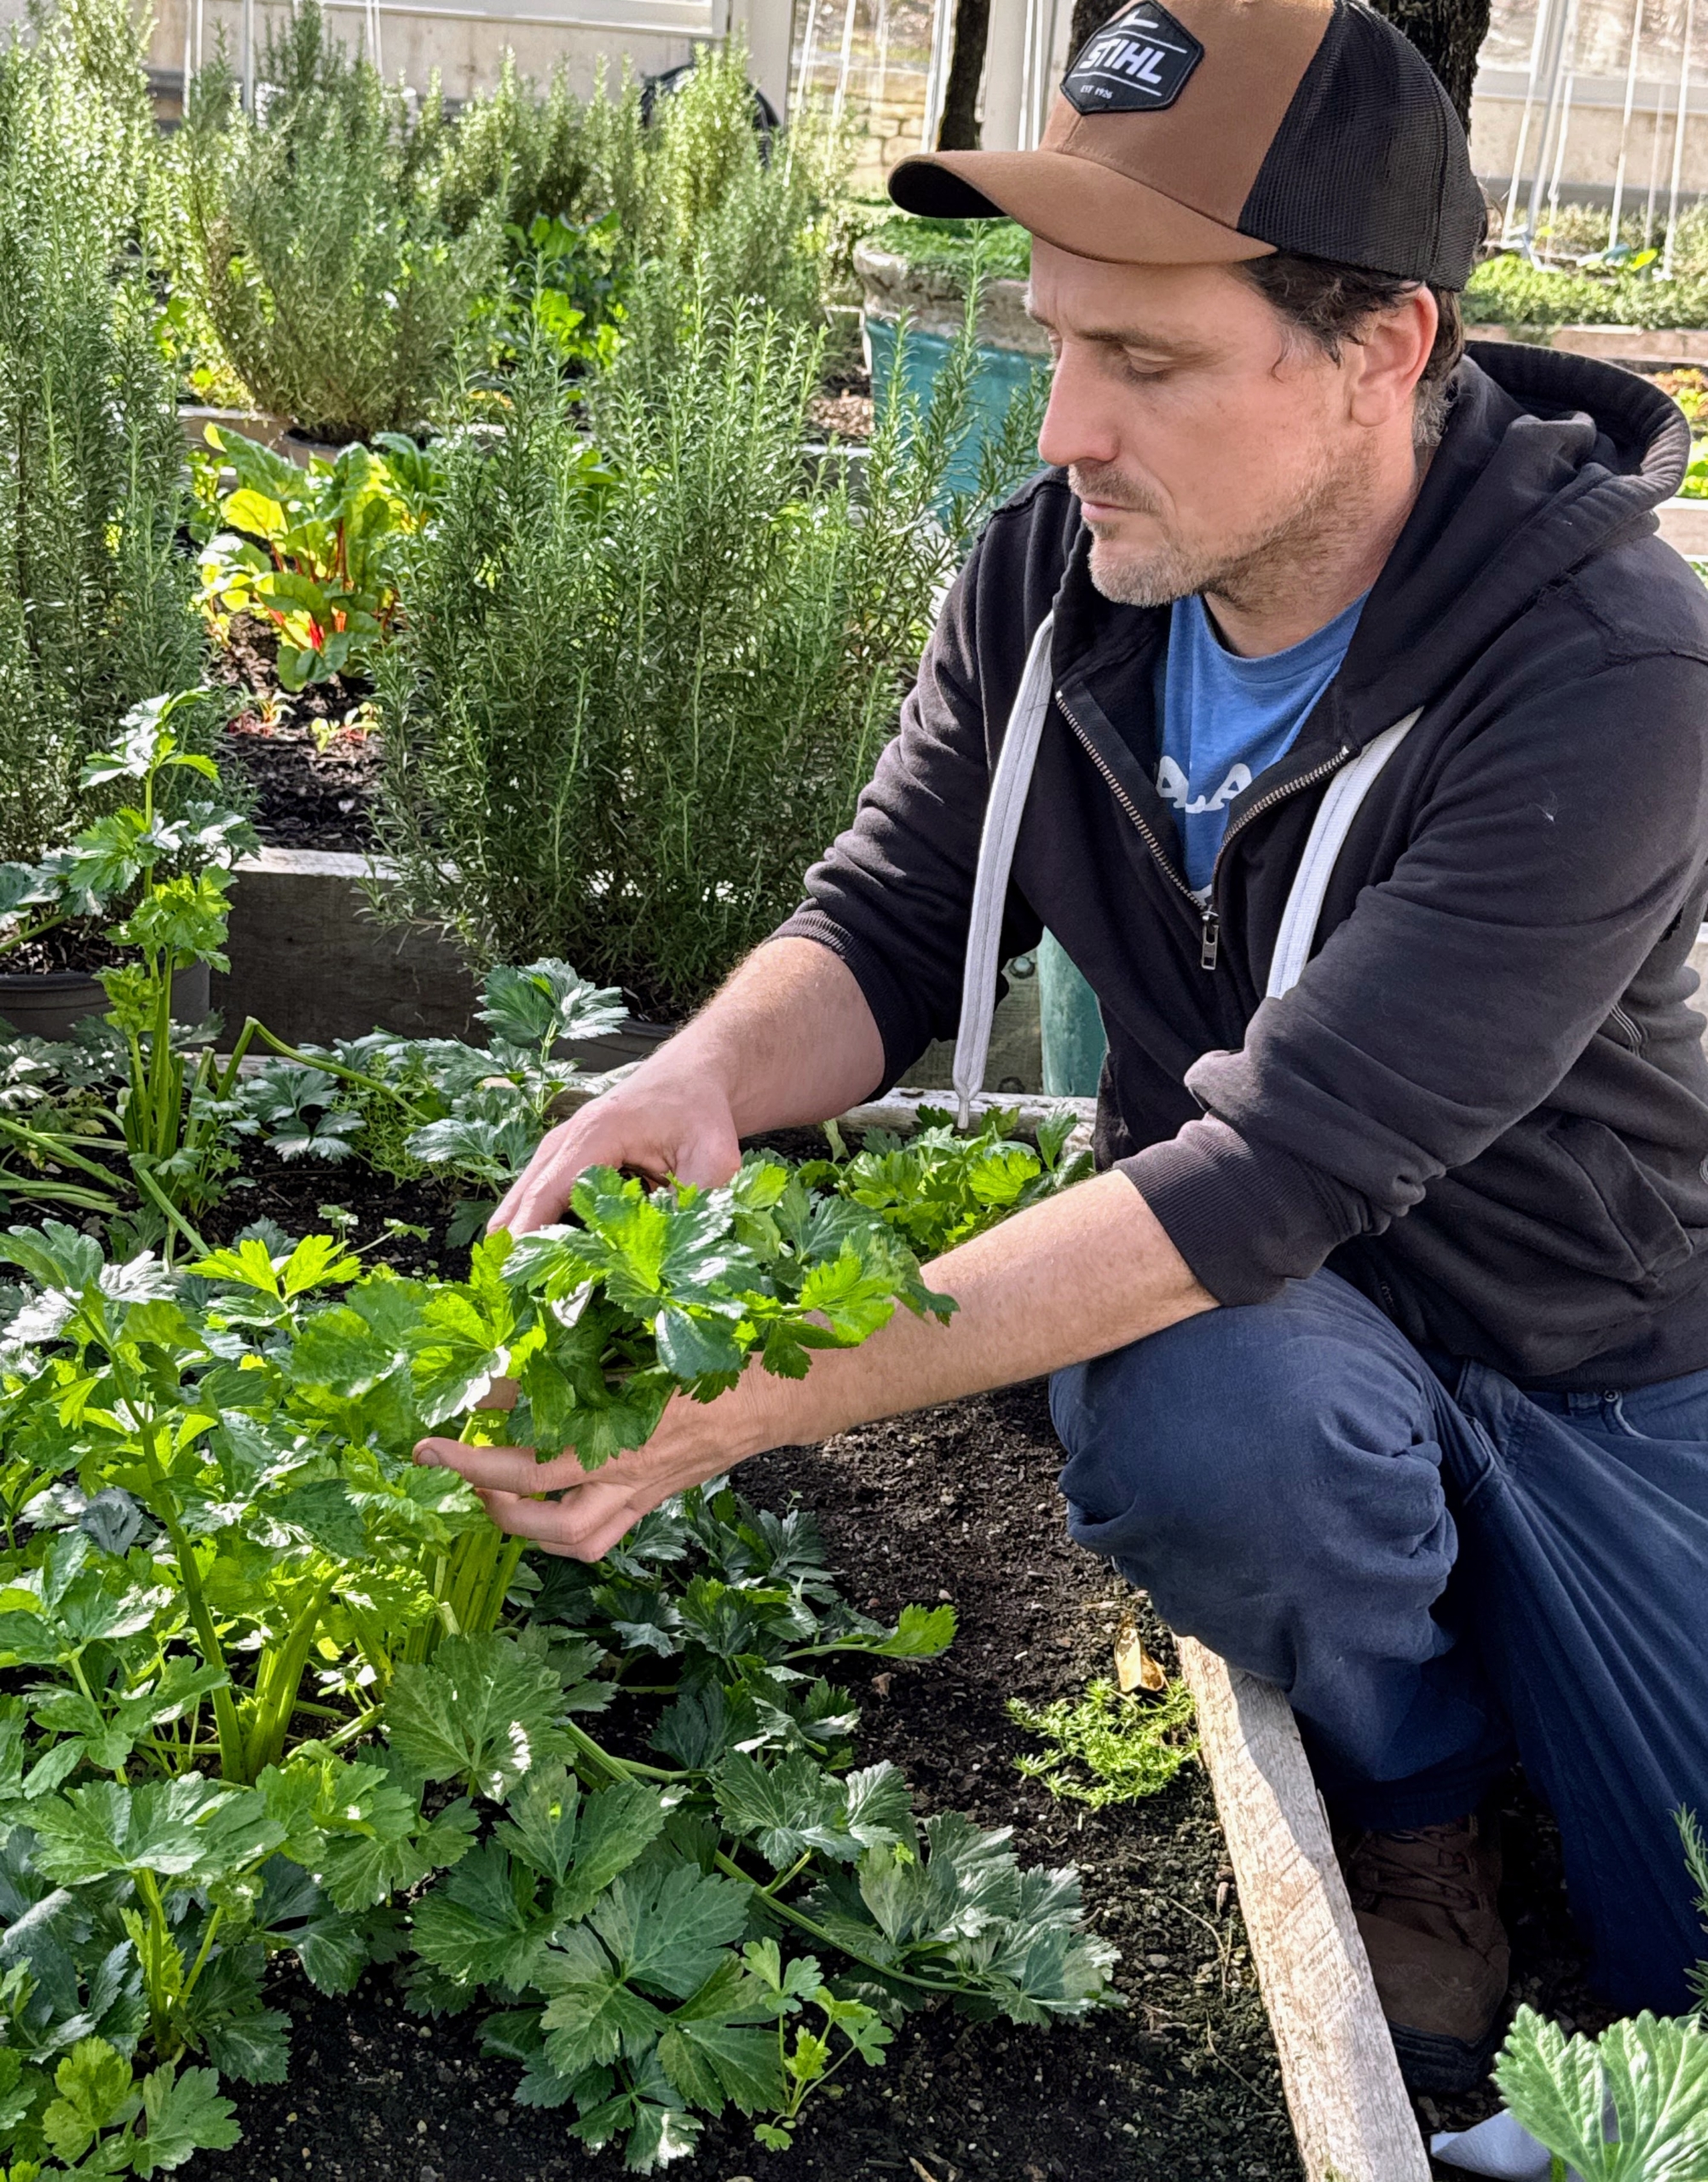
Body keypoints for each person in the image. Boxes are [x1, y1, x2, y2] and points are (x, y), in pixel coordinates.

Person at [417, 0, 1708, 2092]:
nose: (1064, 428)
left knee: (1682, 1952)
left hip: (1586, 1352)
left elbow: (1276, 1164)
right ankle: (1414, 1797)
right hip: (1271, 1334)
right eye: (1056, 340)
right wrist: (701, 1074)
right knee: (1204, 1416)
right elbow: (887, 917)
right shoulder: (1057, 573)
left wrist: (730, 1403)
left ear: (1380, 348)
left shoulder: (1613, 674)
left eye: (1148, 361)